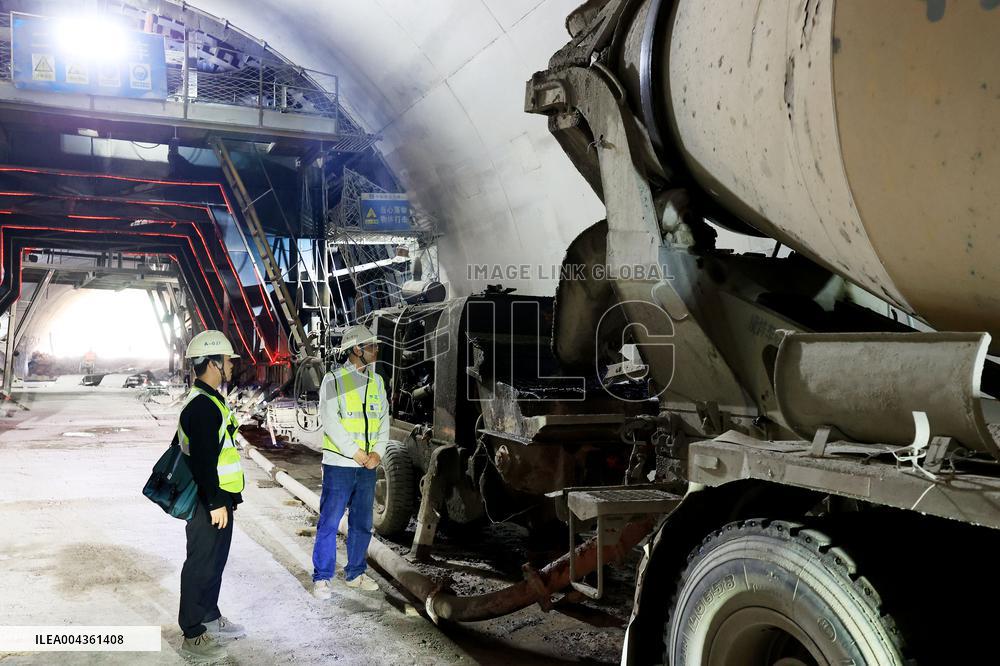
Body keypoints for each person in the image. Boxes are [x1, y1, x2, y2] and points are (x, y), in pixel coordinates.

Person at [177, 330, 247, 661]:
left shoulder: (211, 400)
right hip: (209, 501)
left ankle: (209, 616)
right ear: (214, 363)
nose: (232, 365)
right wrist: (215, 502)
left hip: (221, 497)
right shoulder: (202, 406)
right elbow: (203, 461)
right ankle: (192, 633)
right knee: (201, 564)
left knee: (214, 563)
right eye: (228, 360)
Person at [312, 324, 388, 599]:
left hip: (367, 466)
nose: (376, 350)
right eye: (371, 346)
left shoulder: (376, 381)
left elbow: (383, 420)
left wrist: (377, 453)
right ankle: (322, 577)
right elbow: (330, 421)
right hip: (340, 465)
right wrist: (356, 453)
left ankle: (355, 573)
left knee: (362, 523)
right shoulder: (333, 380)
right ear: (357, 349)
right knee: (330, 522)